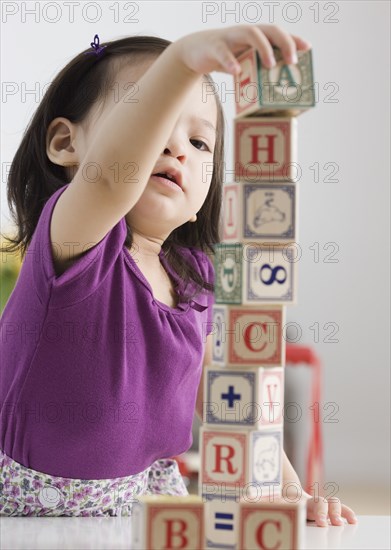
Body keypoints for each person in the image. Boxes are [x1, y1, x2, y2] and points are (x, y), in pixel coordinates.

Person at [0, 24, 357, 525]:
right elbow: (108, 179)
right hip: (27, 512)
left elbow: (232, 404)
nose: (178, 149)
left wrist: (287, 496)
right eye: (153, 116)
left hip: (139, 507)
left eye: (199, 141)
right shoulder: (75, 243)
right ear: (66, 144)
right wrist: (184, 60)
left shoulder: (196, 280)